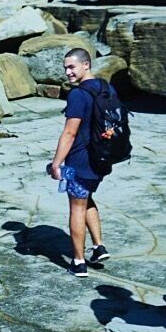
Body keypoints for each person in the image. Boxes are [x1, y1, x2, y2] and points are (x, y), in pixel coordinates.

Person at [47, 48, 111, 277]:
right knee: (86, 198)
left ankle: (78, 261)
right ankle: (99, 246)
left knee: (76, 206)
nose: (67, 72)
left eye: (72, 67)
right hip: (102, 158)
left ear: (86, 64)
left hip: (80, 160)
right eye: (65, 67)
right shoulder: (106, 87)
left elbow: (70, 133)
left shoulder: (77, 95)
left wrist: (56, 163)